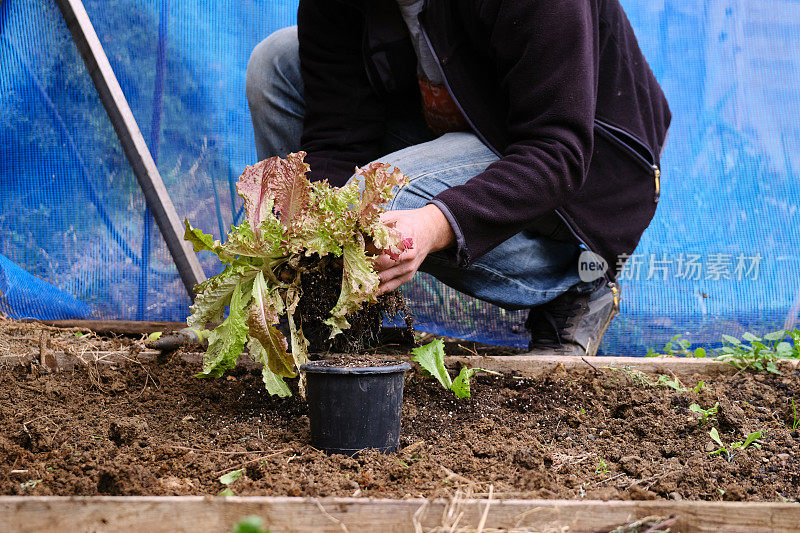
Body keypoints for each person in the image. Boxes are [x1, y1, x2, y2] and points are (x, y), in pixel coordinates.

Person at [246, 0, 671, 355]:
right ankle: (321, 319)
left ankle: (577, 279)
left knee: (382, 209)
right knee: (278, 63)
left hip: (583, 171)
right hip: (463, 120)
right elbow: (339, 134)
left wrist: (432, 224)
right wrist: (308, 231)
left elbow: (556, 151)